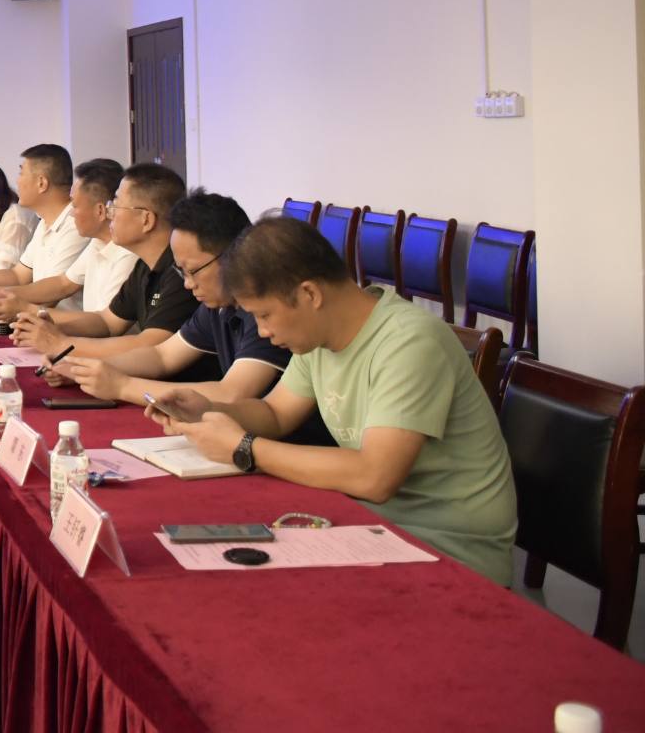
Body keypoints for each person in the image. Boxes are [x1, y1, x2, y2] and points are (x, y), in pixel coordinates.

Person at [151, 216, 517, 584]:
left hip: (449, 549)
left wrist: (243, 447)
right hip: (372, 526)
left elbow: (375, 477)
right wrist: (208, 410)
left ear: (310, 294)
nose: (262, 331)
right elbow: (275, 413)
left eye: (264, 315)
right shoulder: (319, 337)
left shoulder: (409, 343)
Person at [53, 188, 285, 404]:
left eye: (193, 271)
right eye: (181, 271)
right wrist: (85, 370)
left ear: (233, 256)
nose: (187, 284)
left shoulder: (264, 311)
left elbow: (231, 393)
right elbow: (162, 356)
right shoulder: (217, 306)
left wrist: (122, 386)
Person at [10, 163, 197, 359]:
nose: (109, 213)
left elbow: (150, 345)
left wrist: (61, 344)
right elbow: (107, 321)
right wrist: (53, 328)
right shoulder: (144, 265)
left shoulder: (180, 271)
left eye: (115, 206)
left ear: (146, 220)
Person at [0, 157, 135, 320]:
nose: (72, 213)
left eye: (75, 206)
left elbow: (105, 324)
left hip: (83, 332)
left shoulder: (127, 254)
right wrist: (2, 294)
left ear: (100, 211)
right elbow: (63, 283)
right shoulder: (97, 242)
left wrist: (25, 308)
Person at [0, 145, 88, 301]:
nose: (17, 181)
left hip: (55, 315)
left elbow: (51, 295)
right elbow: (18, 276)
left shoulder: (75, 224)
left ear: (41, 183)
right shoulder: (44, 223)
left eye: (21, 173)